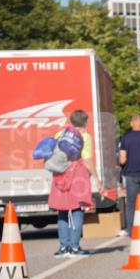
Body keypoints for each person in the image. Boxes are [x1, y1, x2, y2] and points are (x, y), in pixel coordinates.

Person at [49, 110, 98, 257]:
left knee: (62, 211)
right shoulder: (85, 137)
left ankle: (63, 248)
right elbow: (87, 160)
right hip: (78, 175)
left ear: (71, 121)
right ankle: (75, 247)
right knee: (77, 210)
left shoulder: (59, 134)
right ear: (85, 122)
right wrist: (96, 177)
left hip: (60, 175)